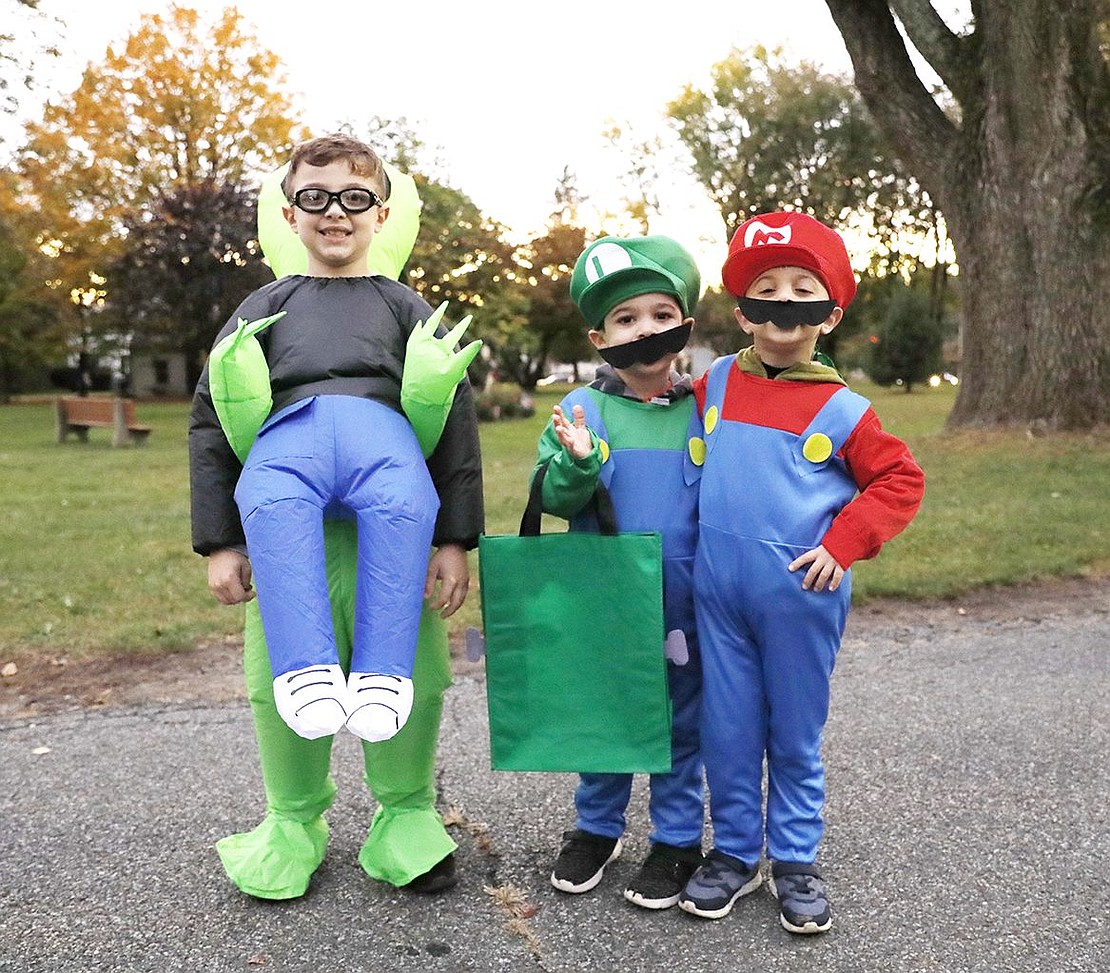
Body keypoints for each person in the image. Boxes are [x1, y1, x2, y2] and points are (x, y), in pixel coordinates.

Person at [189, 133, 483, 897]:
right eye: (314, 198)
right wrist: (221, 541)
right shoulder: (262, 307)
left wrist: (454, 539)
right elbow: (213, 416)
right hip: (294, 540)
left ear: (381, 213)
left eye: (354, 199)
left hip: (397, 531)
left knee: (412, 671)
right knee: (277, 674)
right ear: (289, 212)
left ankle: (407, 813)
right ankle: (292, 819)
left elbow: (454, 419)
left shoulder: (406, 306)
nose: (335, 214)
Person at [676, 211, 925, 933]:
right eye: (767, 286)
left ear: (831, 311)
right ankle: (733, 853)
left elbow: (900, 481)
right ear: (742, 307)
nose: (784, 301)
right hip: (718, 598)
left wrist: (844, 543)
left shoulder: (845, 410)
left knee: (791, 733)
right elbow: (667, 412)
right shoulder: (716, 381)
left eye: (802, 286)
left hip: (800, 598)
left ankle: (793, 859)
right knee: (726, 729)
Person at [533, 234, 706, 910]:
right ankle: (597, 826)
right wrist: (575, 460)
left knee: (681, 718)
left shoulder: (706, 408)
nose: (646, 330)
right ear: (598, 335)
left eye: (661, 314)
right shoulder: (583, 408)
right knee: (605, 710)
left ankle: (677, 837)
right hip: (606, 596)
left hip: (688, 599)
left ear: (685, 325)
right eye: (626, 319)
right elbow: (553, 497)